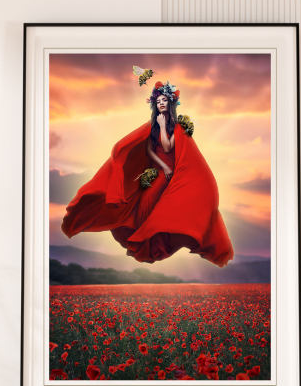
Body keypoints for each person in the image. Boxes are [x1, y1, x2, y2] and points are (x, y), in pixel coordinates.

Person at [60, 76, 233, 267]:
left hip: (172, 175)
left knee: (154, 201)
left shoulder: (177, 127)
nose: (160, 104)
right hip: (160, 170)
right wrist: (161, 164)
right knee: (145, 200)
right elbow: (150, 150)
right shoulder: (151, 126)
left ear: (170, 103)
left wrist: (161, 131)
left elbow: (167, 148)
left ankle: (156, 245)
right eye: (158, 101)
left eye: (164, 101)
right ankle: (147, 244)